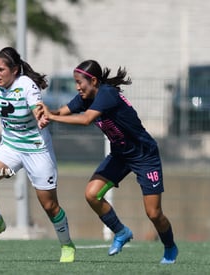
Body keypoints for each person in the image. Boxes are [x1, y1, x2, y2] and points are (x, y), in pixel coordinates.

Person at [37, 60, 178, 264]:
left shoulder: (107, 94)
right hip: (120, 155)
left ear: (93, 80)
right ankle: (121, 232)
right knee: (91, 194)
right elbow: (62, 111)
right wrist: (46, 112)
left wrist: (52, 117)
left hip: (145, 155)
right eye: (75, 83)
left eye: (80, 82)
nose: (77, 87)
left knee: (154, 213)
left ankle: (170, 247)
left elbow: (85, 120)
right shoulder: (87, 96)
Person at [0, 47, 76, 262]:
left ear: (15, 70)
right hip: (10, 148)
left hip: (37, 151)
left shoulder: (26, 85)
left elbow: (37, 107)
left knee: (49, 206)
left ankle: (67, 245)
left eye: (1, 69)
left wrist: (41, 117)